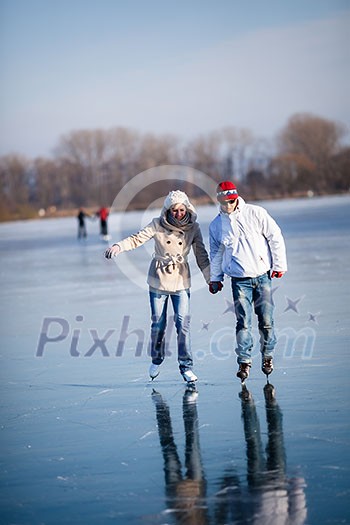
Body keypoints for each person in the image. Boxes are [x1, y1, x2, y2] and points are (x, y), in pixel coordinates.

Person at [105, 190, 210, 384]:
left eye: (181, 209)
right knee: (158, 324)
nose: (178, 213)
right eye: (174, 210)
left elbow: (201, 254)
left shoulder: (193, 228)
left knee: (183, 324)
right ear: (167, 210)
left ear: (186, 208)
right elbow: (137, 238)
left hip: (180, 278)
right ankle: (156, 358)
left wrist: (210, 278)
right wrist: (119, 246)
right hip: (158, 279)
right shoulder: (157, 224)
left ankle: (186, 367)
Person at [208, 181, 287, 382]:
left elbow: (274, 236)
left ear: (236, 198)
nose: (228, 205)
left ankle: (267, 356)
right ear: (219, 201)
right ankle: (244, 361)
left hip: (262, 276)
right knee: (243, 322)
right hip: (239, 280)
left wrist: (279, 265)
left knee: (266, 320)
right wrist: (215, 279)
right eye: (224, 202)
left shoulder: (256, 213)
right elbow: (216, 254)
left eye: (231, 201)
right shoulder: (217, 225)